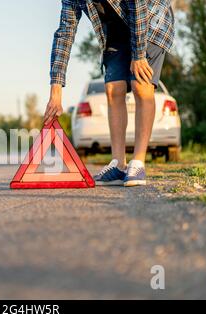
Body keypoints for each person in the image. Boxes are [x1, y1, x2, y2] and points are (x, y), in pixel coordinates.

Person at [44, 0, 174, 187]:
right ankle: (119, 164)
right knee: (113, 89)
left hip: (150, 19)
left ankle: (138, 163)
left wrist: (139, 55)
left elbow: (138, 5)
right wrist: (55, 90)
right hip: (116, 31)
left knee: (140, 84)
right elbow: (65, 33)